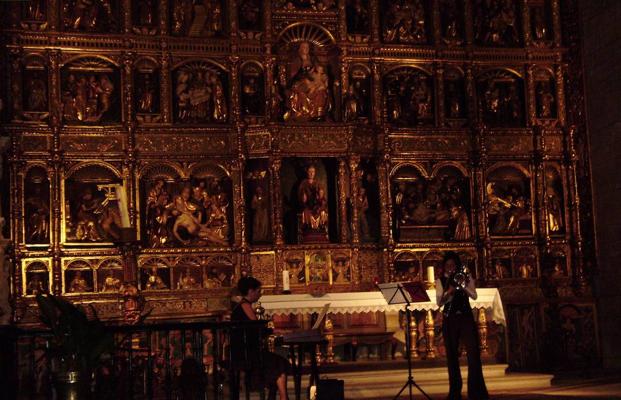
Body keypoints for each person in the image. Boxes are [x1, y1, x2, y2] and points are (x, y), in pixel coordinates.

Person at [436, 252, 488, 400]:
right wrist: (450, 291)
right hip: (450, 318)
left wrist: (463, 285)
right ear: (444, 267)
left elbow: (474, 295)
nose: (450, 268)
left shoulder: (465, 277)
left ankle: (476, 391)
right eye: (447, 265)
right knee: (452, 356)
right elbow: (439, 302)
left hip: (465, 317)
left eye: (452, 265)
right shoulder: (441, 281)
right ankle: (455, 392)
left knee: (473, 354)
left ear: (457, 266)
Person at [232, 277, 289, 400]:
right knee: (279, 363)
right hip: (246, 352)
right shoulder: (245, 305)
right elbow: (255, 328)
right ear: (251, 291)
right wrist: (272, 331)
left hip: (246, 349)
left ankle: (277, 397)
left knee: (277, 363)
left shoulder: (242, 305)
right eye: (259, 291)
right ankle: (284, 397)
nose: (260, 294)